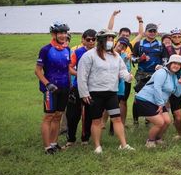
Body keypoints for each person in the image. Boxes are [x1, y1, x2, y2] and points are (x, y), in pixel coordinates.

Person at [76, 29, 135, 154]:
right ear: (101, 40)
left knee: (117, 119)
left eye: (111, 39)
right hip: (95, 94)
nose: (110, 41)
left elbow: (122, 70)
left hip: (111, 93)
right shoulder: (89, 55)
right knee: (96, 120)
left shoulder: (115, 55)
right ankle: (97, 146)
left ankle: (123, 145)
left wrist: (128, 77)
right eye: (107, 39)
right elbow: (82, 75)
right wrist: (84, 93)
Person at [35, 21, 72, 154]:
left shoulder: (67, 49)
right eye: (60, 33)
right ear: (53, 34)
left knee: (58, 115)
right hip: (50, 88)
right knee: (49, 117)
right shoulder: (46, 50)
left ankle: (54, 143)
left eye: (64, 33)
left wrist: (70, 84)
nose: (63, 35)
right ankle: (47, 147)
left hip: (65, 87)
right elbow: (38, 71)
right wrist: (47, 84)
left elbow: (67, 69)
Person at [133, 54, 181, 148]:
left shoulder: (173, 77)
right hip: (145, 100)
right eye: (174, 63)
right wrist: (161, 104)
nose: (176, 66)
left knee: (167, 121)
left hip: (158, 101)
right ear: (169, 64)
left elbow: (177, 94)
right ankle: (150, 141)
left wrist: (180, 84)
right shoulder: (162, 72)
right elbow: (157, 88)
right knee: (159, 122)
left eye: (179, 64)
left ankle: (158, 138)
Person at [66, 28, 96, 147]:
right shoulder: (77, 52)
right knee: (72, 115)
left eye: (94, 39)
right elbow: (69, 68)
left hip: (93, 88)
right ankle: (71, 139)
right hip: (77, 87)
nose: (91, 42)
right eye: (88, 39)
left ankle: (85, 139)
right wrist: (80, 74)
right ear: (83, 40)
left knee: (89, 115)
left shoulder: (99, 52)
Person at [132, 23, 166, 125]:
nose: (152, 33)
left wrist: (162, 67)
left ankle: (149, 119)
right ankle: (135, 120)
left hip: (156, 75)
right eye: (150, 31)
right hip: (141, 75)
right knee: (138, 97)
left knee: (153, 97)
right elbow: (132, 59)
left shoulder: (161, 45)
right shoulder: (139, 44)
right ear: (146, 32)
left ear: (157, 32)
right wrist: (139, 59)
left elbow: (165, 60)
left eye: (154, 31)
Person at [115, 37, 134, 127]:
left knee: (120, 103)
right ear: (116, 42)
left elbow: (126, 71)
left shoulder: (126, 56)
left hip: (120, 85)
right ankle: (103, 123)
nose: (122, 46)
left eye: (124, 45)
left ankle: (119, 125)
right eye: (120, 43)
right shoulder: (108, 53)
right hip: (109, 85)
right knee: (110, 105)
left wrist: (129, 76)